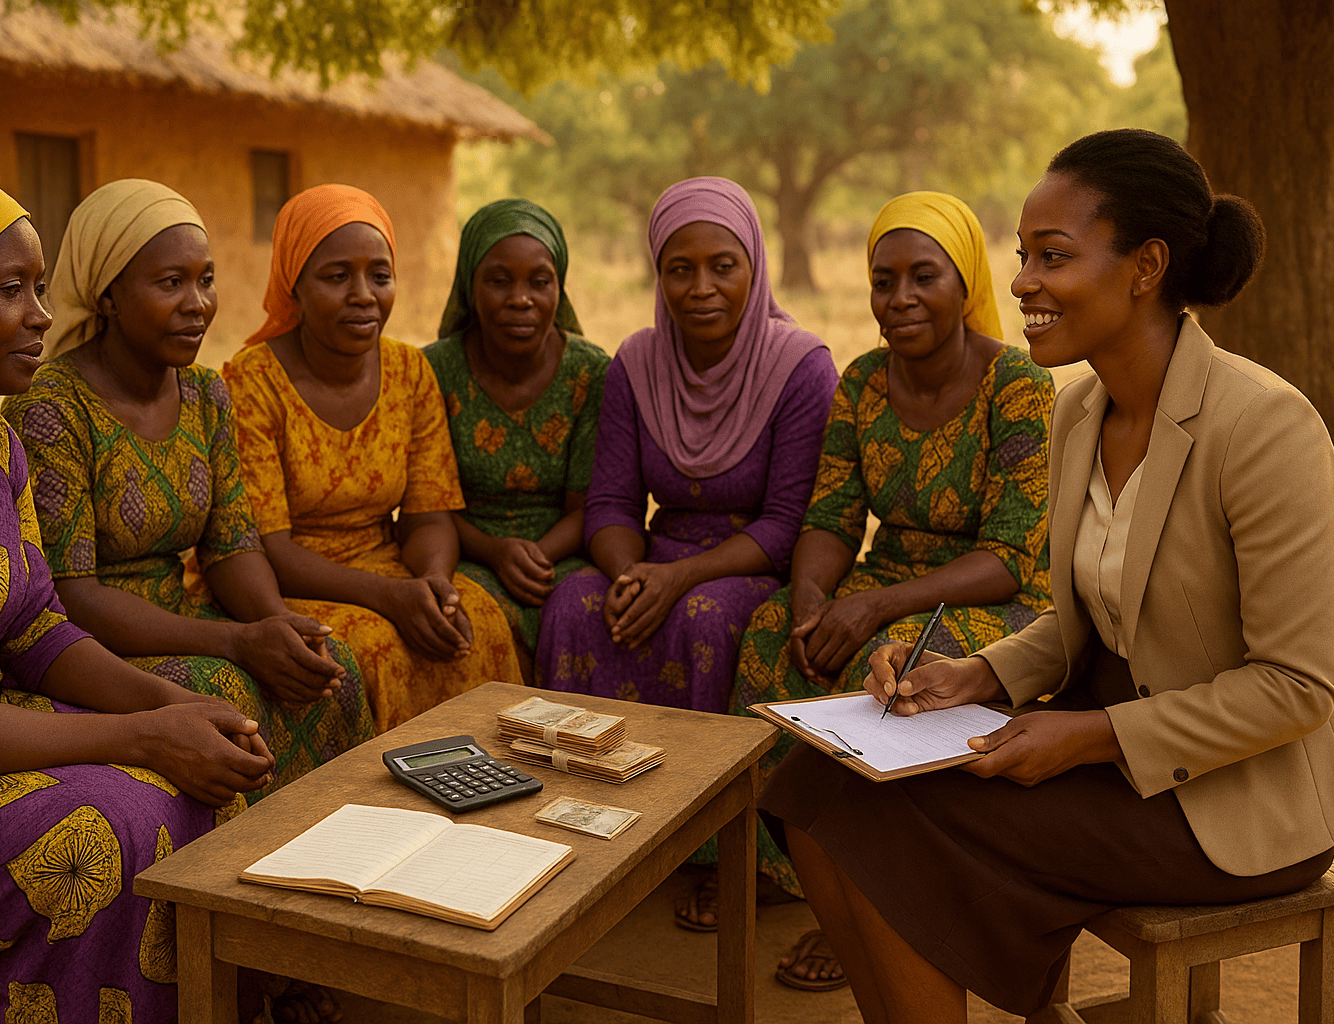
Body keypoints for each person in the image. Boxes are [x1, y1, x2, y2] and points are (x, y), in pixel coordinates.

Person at [762, 128, 1334, 1022]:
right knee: (812, 782)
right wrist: (974, 675)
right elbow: (1085, 621)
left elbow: (1297, 689)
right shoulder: (1078, 414)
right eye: (1023, 255)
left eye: (1053, 256)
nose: (1021, 281)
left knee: (882, 820)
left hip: (1231, 805)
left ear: (1145, 266)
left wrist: (1088, 736)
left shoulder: (1262, 428)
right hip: (1109, 757)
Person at [0, 155, 271, 1023]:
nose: (42, 315)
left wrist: (171, 708)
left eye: (41, 288)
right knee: (109, 828)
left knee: (203, 779)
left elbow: (35, 628)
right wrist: (140, 734)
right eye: (10, 290)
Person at [703, 193, 1056, 982]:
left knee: (893, 670)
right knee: (771, 636)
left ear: (964, 283)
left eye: (922, 277)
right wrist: (810, 599)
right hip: (884, 579)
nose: (899, 299)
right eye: (882, 280)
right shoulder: (862, 381)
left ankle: (877, 903)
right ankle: (787, 869)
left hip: (998, 600)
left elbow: (1009, 556)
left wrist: (871, 606)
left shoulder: (1016, 384)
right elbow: (830, 518)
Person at [2, 179, 374, 802]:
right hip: (89, 649)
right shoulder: (52, 407)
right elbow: (73, 594)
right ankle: (232, 864)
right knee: (219, 695)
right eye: (170, 283)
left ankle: (341, 851)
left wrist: (277, 624)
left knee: (334, 674)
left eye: (206, 280)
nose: (197, 304)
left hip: (180, 613)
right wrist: (237, 641)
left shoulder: (203, 393)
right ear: (108, 296)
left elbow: (231, 546)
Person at [223, 184, 521, 733]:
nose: (363, 295)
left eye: (379, 276)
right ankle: (384, 789)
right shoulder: (252, 381)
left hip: (389, 566)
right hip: (290, 580)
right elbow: (270, 547)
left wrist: (434, 584)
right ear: (294, 285)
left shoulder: (409, 370)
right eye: (336, 277)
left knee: (477, 619)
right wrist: (389, 598)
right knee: (372, 646)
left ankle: (486, 780)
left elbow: (429, 516)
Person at [536, 177, 837, 713]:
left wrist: (678, 578)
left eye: (723, 267)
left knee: (704, 617)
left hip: (752, 567)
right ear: (659, 276)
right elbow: (611, 502)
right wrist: (630, 577)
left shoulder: (800, 367)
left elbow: (788, 523)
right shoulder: (636, 363)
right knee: (573, 604)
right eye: (680, 270)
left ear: (755, 269)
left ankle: (701, 770)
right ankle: (572, 758)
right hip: (655, 557)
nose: (701, 288)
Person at [423, 199, 609, 680]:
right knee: (461, 622)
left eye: (539, 282)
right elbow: (427, 508)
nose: (520, 299)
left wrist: (536, 556)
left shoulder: (590, 372)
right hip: (465, 553)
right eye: (499, 281)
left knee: (590, 612)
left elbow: (590, 504)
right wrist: (496, 552)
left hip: (564, 554)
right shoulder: (432, 370)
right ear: (469, 286)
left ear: (559, 287)